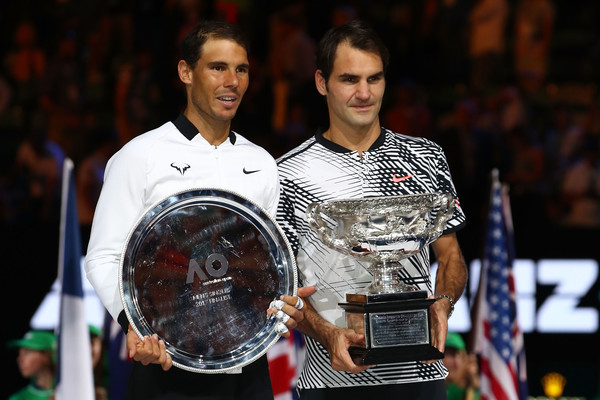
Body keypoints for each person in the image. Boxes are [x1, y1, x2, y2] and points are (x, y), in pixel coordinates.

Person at [85, 20, 312, 400]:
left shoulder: (261, 162)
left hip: (246, 363)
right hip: (166, 364)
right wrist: (135, 324)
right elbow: (103, 256)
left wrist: (281, 299)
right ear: (185, 72)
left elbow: (263, 261)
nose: (233, 81)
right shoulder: (141, 155)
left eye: (241, 69)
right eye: (217, 67)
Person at [276, 19, 468, 399]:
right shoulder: (287, 174)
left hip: (421, 377)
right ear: (321, 82)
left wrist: (443, 304)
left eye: (374, 79)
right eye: (349, 79)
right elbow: (285, 287)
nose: (364, 93)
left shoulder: (427, 157)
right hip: (331, 380)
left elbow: (451, 258)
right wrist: (329, 334)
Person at [8, 330, 57, 400]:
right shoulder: (18, 398)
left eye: (27, 352)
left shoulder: (73, 389)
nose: (19, 359)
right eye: (19, 353)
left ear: (48, 355)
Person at [443, 332, 481, 400]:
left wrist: (472, 383)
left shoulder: (474, 392)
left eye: (459, 355)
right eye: (447, 355)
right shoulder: (430, 390)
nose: (455, 362)